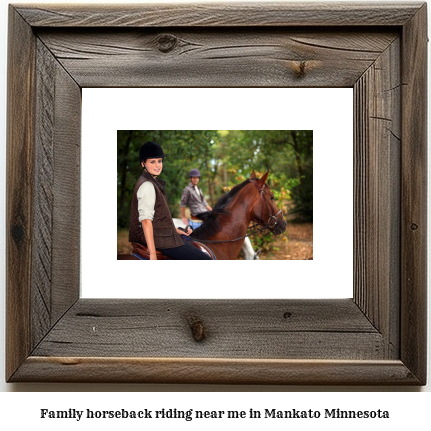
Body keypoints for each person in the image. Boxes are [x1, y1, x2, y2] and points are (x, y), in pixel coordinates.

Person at [129, 141, 212, 260]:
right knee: (206, 260)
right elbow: (146, 221)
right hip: (159, 238)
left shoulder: (153, 182)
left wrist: (176, 230)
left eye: (160, 161)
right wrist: (152, 254)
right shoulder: (147, 185)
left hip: (162, 234)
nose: (158, 165)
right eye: (152, 161)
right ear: (143, 163)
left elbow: (159, 218)